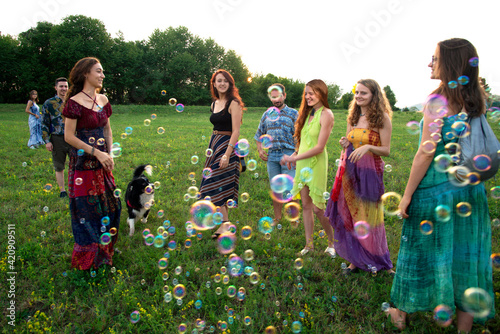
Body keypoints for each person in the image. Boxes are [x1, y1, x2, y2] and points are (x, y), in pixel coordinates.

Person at [388, 38, 495, 331]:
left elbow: (425, 153)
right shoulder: (476, 99)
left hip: (436, 189)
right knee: (465, 254)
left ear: (449, 64)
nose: (429, 63)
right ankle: (463, 327)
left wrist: (407, 195)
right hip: (470, 189)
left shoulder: (438, 101)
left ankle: (400, 313)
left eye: (434, 58)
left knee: (419, 249)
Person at [324, 79, 394, 276]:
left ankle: (381, 261)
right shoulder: (353, 117)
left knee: (371, 216)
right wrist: (345, 141)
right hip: (350, 171)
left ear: (374, 95)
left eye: (364, 93)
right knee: (351, 212)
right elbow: (349, 142)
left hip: (371, 172)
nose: (359, 97)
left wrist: (369, 146)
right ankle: (355, 260)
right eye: (357, 93)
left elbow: (386, 150)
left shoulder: (382, 118)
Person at [62, 57, 121, 270]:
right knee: (88, 210)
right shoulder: (74, 103)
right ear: (86, 73)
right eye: (98, 71)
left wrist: (110, 154)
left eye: (103, 71)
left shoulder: (103, 100)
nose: (102, 75)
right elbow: (69, 136)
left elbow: (107, 129)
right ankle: (91, 256)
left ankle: (106, 247)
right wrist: (97, 153)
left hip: (102, 161)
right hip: (83, 164)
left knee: (111, 206)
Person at [281, 79, 335, 257]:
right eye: (306, 93)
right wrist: (296, 155)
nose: (308, 96)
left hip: (316, 162)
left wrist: (294, 157)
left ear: (322, 93)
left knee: (319, 208)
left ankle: (332, 242)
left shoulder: (326, 114)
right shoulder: (306, 114)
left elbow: (319, 147)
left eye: (312, 92)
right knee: (305, 205)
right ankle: (309, 245)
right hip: (302, 162)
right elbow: (303, 141)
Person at [199, 69, 243, 238]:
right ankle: (225, 225)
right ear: (214, 84)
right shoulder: (214, 104)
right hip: (214, 145)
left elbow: (236, 131)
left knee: (217, 183)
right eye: (219, 80)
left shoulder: (234, 103)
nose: (222, 83)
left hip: (227, 147)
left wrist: (227, 153)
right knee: (215, 184)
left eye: (225, 80)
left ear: (230, 83)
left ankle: (225, 225)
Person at [254, 83, 298, 222]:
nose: (276, 100)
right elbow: (259, 134)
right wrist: (260, 149)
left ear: (284, 95)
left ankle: (294, 218)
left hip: (289, 154)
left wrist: (296, 154)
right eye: (273, 97)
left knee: (290, 189)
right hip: (272, 156)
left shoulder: (293, 113)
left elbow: (300, 136)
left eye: (278, 96)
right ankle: (278, 217)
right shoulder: (267, 114)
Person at [42, 78, 72, 198]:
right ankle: (62, 191)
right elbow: (44, 123)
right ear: (56, 88)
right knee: (59, 166)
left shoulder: (72, 101)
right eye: (61, 86)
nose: (64, 89)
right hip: (57, 138)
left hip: (73, 138)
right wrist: (47, 141)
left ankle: (74, 188)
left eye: (65, 86)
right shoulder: (49, 103)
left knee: (75, 165)